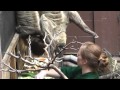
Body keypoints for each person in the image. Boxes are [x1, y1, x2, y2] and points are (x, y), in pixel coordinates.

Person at [35, 41, 109, 79]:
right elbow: (61, 71)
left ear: (84, 61)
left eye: (79, 55)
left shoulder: (90, 77)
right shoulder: (81, 70)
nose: (76, 55)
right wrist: (44, 72)